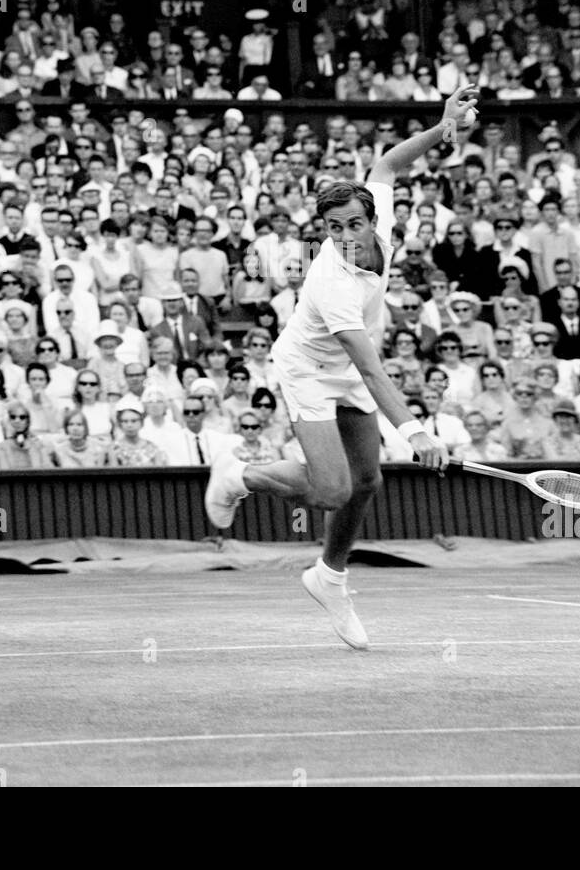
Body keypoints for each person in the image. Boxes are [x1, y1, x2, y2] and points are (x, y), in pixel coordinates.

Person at [203, 87, 474, 649]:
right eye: (334, 229)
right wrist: (417, 432)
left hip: (349, 368)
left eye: (354, 225)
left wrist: (442, 127)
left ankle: (329, 575)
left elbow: (388, 162)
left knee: (367, 481)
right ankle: (239, 475)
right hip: (308, 368)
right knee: (331, 491)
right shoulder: (332, 284)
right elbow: (374, 372)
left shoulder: (381, 218)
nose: (347, 238)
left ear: (372, 217)